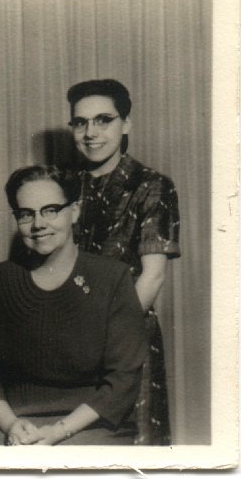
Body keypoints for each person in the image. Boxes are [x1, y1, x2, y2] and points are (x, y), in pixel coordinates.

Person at [0, 165, 147, 445]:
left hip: (91, 424)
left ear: (74, 211)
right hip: (13, 422)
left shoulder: (112, 278)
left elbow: (123, 378)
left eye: (50, 210)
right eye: (26, 214)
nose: (38, 224)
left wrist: (59, 431)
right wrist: (11, 425)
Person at [67, 79, 181, 445]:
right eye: (81, 122)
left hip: (126, 340)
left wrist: (105, 338)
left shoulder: (151, 186)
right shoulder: (64, 185)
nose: (91, 132)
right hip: (67, 342)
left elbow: (153, 277)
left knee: (135, 447)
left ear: (126, 123)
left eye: (103, 120)